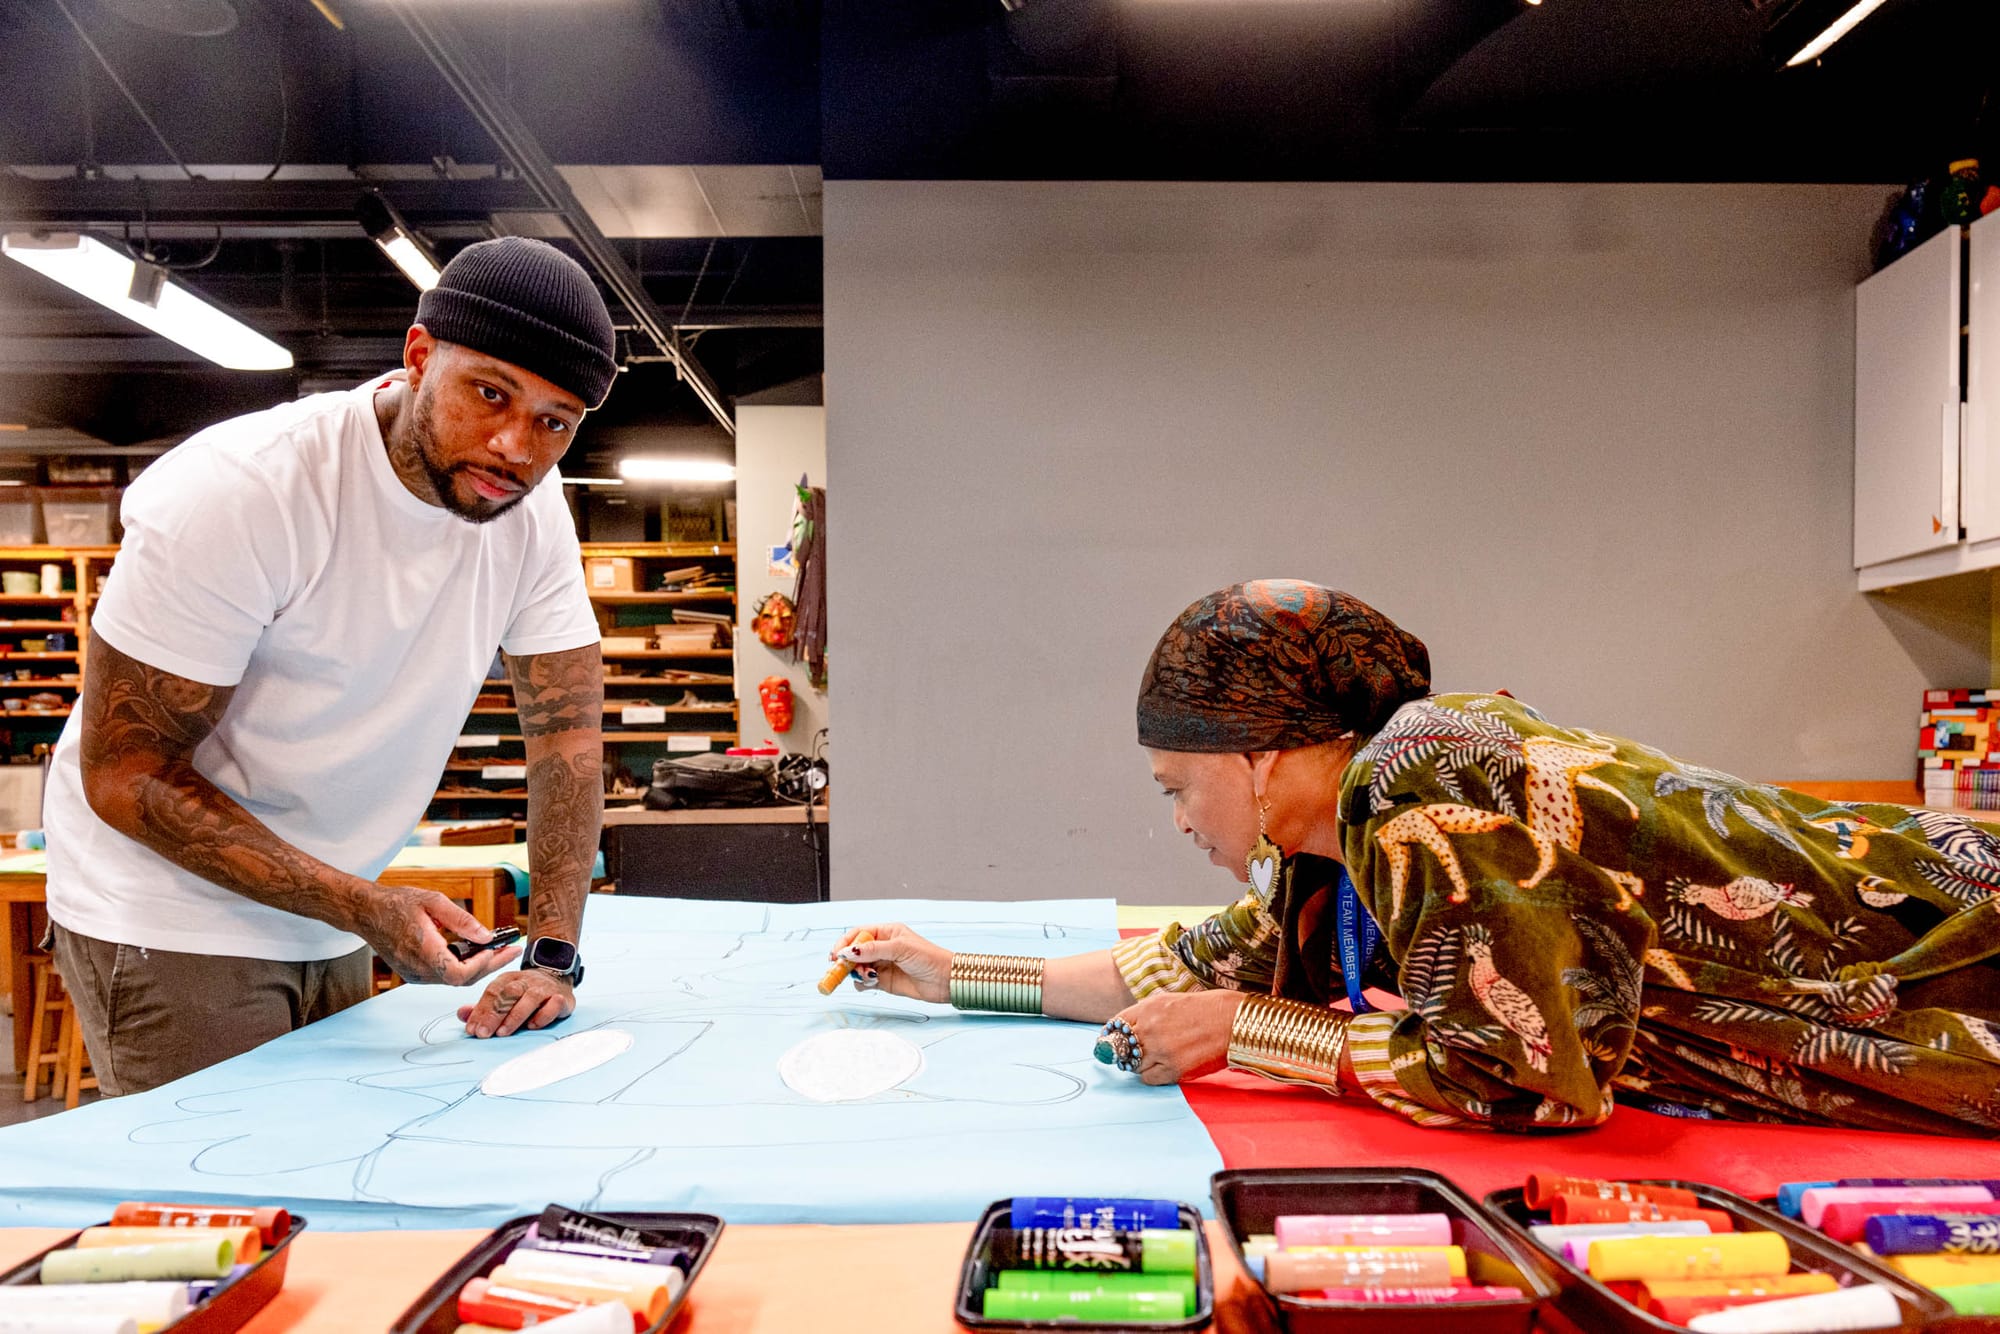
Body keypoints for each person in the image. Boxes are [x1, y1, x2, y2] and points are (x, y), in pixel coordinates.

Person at [833, 580, 2000, 1136]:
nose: (1178, 821)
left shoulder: (1419, 778)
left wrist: (1246, 1032)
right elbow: (1182, 971)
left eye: (1179, 788)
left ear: (1257, 757)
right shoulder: (1329, 838)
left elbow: (1519, 1080)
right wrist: (952, 974)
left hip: (1948, 965)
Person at [43, 236, 611, 1095]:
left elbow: (565, 739)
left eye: (553, 422)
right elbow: (124, 773)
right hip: (173, 915)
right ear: (419, 357)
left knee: (335, 1195)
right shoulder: (248, 492)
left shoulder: (531, 514)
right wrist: (362, 904)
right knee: (230, 1200)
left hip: (334, 908)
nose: (514, 447)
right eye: (489, 394)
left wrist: (553, 956)